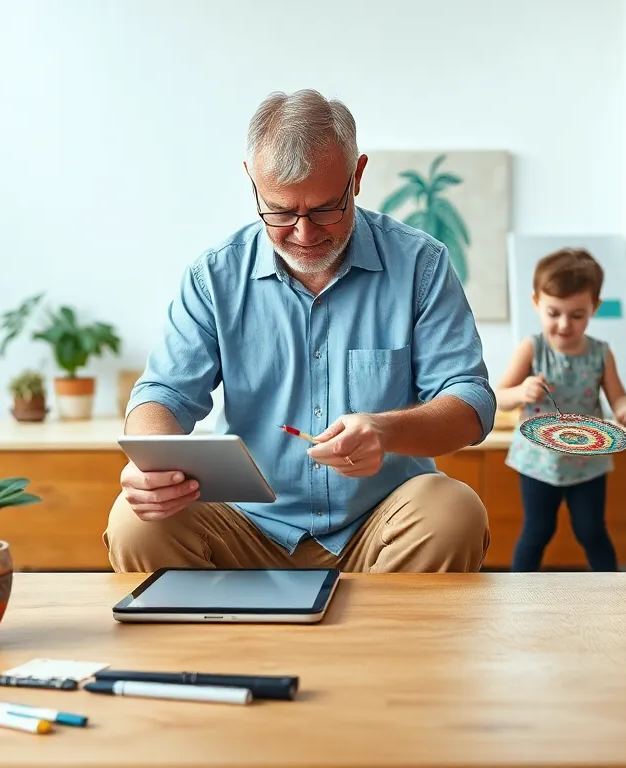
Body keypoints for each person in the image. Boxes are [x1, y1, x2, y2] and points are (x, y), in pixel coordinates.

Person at [103, 89, 495, 573]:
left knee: (453, 511)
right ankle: (213, 648)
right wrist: (152, 465)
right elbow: (162, 395)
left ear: (358, 176)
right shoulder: (214, 277)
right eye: (281, 212)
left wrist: (384, 430)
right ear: (251, 181)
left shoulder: (421, 264)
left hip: (380, 523)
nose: (304, 234)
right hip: (245, 527)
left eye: (327, 209)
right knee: (134, 520)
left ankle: (384, 649)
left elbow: (470, 401)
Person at [494, 248, 626, 572]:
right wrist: (522, 390)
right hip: (537, 462)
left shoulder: (601, 353)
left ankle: (612, 596)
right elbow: (499, 395)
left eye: (577, 315)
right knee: (537, 531)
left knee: (591, 531)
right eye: (554, 312)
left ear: (594, 309)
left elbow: (618, 398)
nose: (564, 324)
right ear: (536, 303)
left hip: (587, 464)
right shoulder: (531, 347)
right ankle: (519, 598)